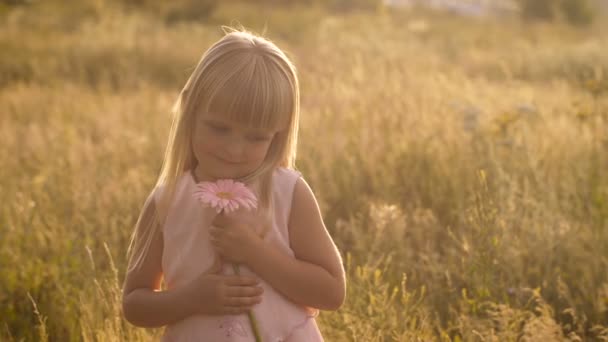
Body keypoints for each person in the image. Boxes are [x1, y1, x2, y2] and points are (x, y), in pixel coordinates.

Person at [122, 27, 346, 341]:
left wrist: (255, 252)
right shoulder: (168, 201)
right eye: (219, 128)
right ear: (189, 109)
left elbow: (331, 292)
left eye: (256, 137)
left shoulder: (287, 192)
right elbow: (134, 304)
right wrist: (191, 298)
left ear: (277, 135)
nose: (234, 149)